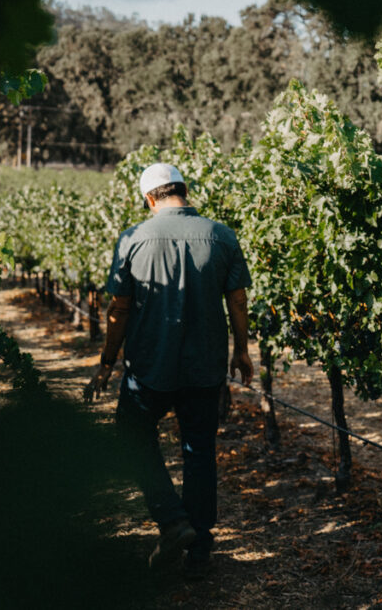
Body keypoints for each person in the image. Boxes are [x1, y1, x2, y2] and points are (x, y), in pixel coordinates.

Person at [83, 162, 254, 576]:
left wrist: (107, 362)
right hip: (204, 367)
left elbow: (119, 309)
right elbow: (238, 302)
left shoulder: (133, 239)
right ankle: (199, 553)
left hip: (150, 366)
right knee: (199, 452)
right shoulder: (221, 235)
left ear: (149, 198)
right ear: (185, 190)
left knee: (132, 433)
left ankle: (172, 520)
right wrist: (242, 352)